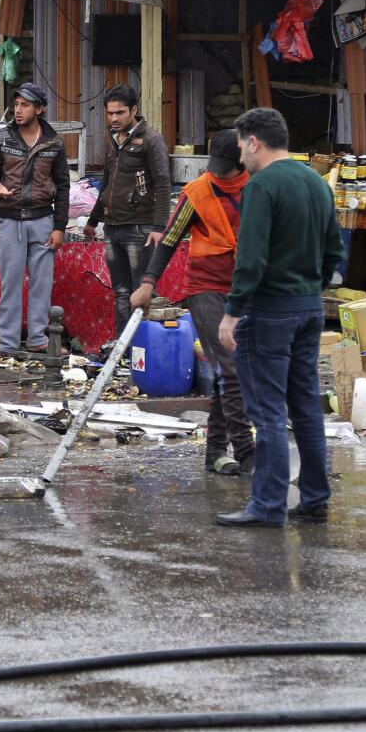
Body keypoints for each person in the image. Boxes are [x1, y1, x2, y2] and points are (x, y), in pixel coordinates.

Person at [215, 108, 344, 528]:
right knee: (306, 406)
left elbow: (251, 258)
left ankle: (267, 506)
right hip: (309, 308)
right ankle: (315, 499)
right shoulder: (316, 182)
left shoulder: (262, 186)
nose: (240, 155)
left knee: (267, 411)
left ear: (254, 141)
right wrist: (312, 288)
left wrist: (232, 311)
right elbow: (334, 252)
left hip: (270, 311)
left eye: (240, 146)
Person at [131, 130, 254, 478]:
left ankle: (215, 451)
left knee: (233, 372)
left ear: (242, 162)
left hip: (246, 288)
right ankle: (246, 451)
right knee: (230, 368)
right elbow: (169, 240)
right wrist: (147, 283)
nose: (218, 173)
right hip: (205, 289)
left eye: (225, 168)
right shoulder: (197, 192)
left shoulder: (257, 187)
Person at [86, 84, 172, 337]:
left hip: (140, 228)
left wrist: (158, 227)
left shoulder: (152, 140)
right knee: (121, 292)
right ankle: (123, 353)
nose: (113, 118)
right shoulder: (114, 140)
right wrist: (93, 220)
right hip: (112, 228)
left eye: (120, 113)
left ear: (134, 110)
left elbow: (163, 182)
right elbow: (107, 182)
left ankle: (145, 349)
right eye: (110, 113)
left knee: (142, 292)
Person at [0, 83, 70, 355]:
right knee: (10, 282)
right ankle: (9, 342)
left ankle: (38, 338)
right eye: (16, 105)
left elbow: (63, 186)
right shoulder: (2, 137)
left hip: (42, 220)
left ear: (39, 108)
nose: (18, 110)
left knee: (42, 283)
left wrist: (59, 227)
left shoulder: (54, 142)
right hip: (9, 218)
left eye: (25, 105)